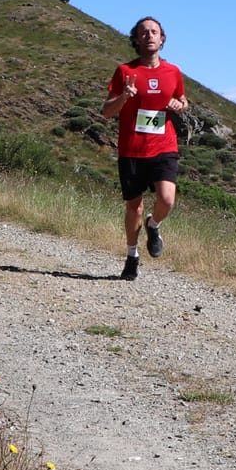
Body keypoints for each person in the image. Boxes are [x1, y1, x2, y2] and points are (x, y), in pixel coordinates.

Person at [101, 16, 188, 281]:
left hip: (164, 146)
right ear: (137, 39)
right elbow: (106, 112)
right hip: (132, 149)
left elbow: (183, 100)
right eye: (144, 32)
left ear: (162, 39)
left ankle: (154, 225)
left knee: (167, 199)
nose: (149, 35)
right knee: (133, 207)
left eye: (154, 32)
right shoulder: (125, 71)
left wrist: (179, 106)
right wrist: (125, 96)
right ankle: (132, 256)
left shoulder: (173, 72)